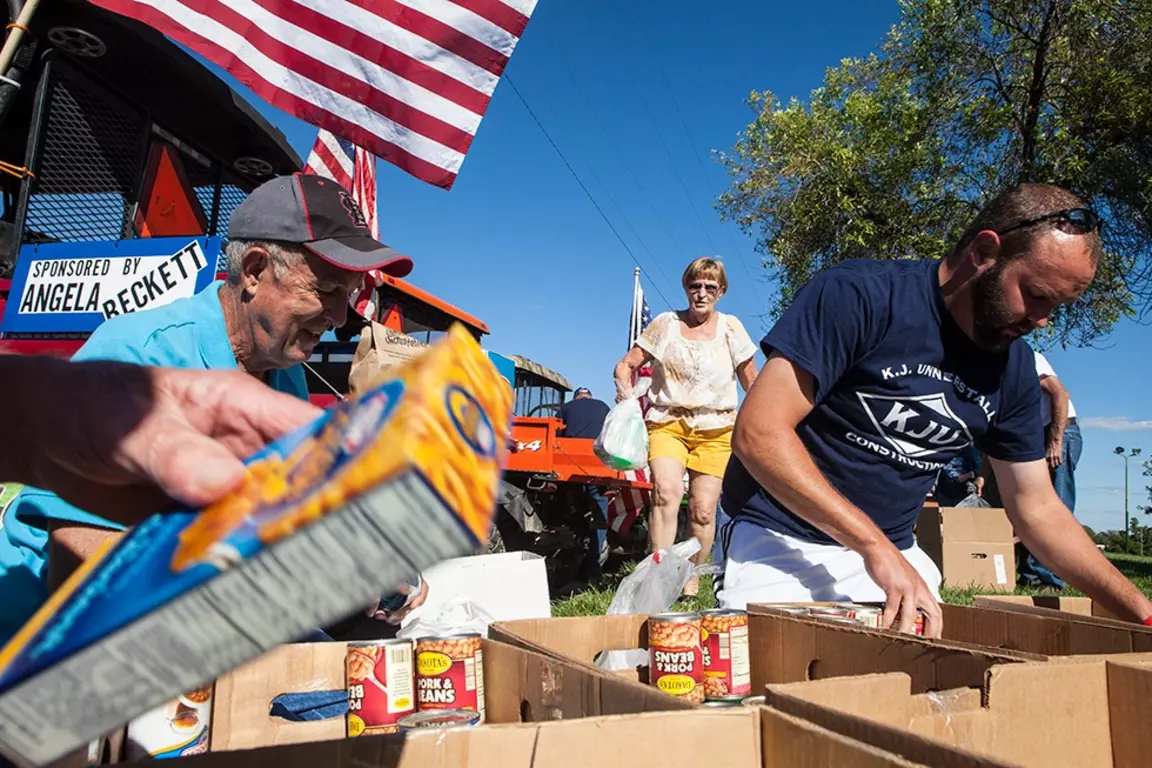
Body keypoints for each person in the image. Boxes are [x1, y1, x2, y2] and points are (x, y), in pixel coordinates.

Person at [0, 173, 424, 642]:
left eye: (349, 295)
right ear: (255, 271)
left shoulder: (283, 373)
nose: (341, 317)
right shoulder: (139, 356)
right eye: (326, 290)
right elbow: (85, 574)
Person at [719, 183, 1152, 636]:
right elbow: (759, 433)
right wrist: (874, 547)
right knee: (774, 664)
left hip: (893, 555)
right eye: (1035, 293)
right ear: (984, 252)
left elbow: (1038, 509)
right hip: (780, 536)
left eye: (1058, 306)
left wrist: (1141, 613)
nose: (1042, 319)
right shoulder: (860, 295)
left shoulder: (1015, 370)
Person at [614, 257, 758, 597]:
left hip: (717, 429)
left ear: (721, 291)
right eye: (695, 285)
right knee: (665, 492)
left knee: (703, 510)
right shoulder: (665, 324)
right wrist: (625, 395)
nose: (701, 293)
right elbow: (626, 365)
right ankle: (658, 575)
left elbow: (752, 382)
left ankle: (690, 575)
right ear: (686, 288)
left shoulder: (731, 328)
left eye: (710, 286)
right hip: (668, 423)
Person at [1017, 347, 1082, 589]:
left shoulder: (1027, 357)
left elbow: (1060, 394)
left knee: (1053, 506)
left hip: (1060, 432)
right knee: (1032, 503)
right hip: (1037, 436)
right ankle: (1032, 575)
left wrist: (1055, 442)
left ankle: (1049, 578)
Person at [557, 387, 612, 580]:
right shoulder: (604, 407)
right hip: (598, 468)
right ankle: (593, 564)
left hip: (570, 469)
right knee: (599, 513)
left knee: (570, 508)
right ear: (590, 397)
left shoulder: (566, 408)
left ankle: (574, 551)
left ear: (576, 398)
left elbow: (556, 437)